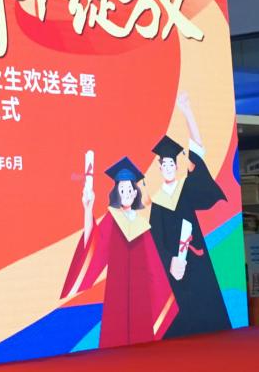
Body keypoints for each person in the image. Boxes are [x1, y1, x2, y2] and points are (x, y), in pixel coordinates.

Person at [61, 156, 177, 347]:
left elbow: (153, 264)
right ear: (116, 193)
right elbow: (94, 244)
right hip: (118, 287)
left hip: (141, 290)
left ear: (135, 193)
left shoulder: (142, 224)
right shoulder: (112, 219)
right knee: (116, 340)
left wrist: (161, 291)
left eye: (130, 189)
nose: (127, 193)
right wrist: (88, 209)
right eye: (122, 190)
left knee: (143, 341)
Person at [148, 91, 231, 337]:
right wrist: (171, 261)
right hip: (174, 266)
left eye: (172, 163)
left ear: (176, 165)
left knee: (209, 319)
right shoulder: (157, 202)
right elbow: (156, 241)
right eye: (164, 164)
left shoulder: (185, 189)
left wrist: (187, 112)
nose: (169, 167)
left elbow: (197, 154)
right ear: (159, 167)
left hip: (196, 260)